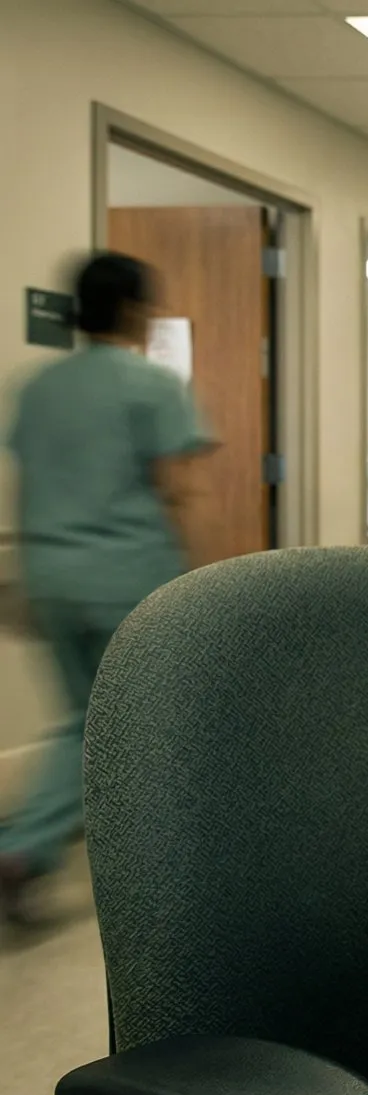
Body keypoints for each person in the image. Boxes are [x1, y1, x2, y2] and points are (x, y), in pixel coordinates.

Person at [1, 251, 215, 921]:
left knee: (81, 717)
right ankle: (29, 846)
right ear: (133, 310)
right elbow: (176, 490)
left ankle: (46, 837)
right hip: (126, 574)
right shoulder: (149, 383)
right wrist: (201, 579)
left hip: (50, 572)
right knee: (113, 724)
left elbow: (29, 483)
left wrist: (23, 576)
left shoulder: (37, 387)